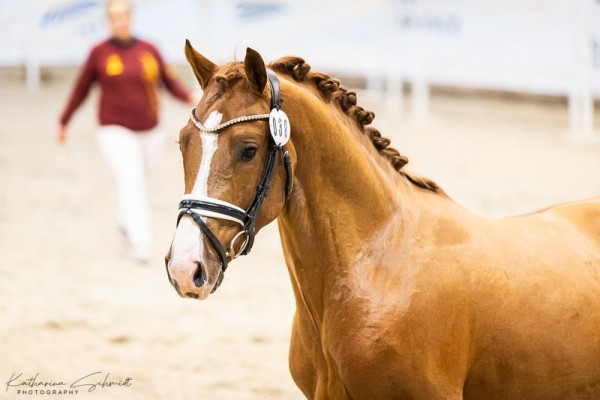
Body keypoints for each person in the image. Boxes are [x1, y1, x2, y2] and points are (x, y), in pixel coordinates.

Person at [57, 0, 196, 262]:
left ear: (131, 18)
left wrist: (191, 98)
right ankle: (141, 243)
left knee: (138, 181)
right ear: (108, 20)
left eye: (123, 16)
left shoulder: (149, 49)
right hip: (113, 128)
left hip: (150, 129)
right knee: (132, 180)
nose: (119, 21)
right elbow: (81, 89)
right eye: (114, 16)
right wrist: (64, 121)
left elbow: (169, 82)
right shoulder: (99, 52)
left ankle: (125, 223)